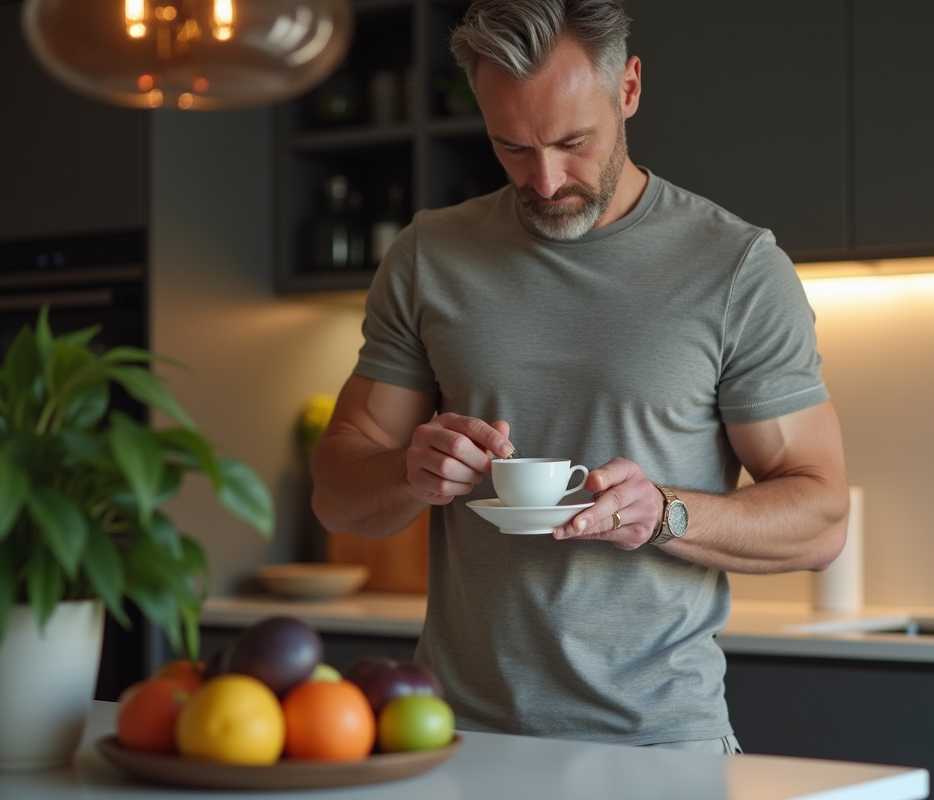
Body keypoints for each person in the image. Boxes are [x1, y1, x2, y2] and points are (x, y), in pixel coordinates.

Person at [310, 0, 849, 754]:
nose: (546, 178)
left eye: (572, 142)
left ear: (628, 89)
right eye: (513, 148)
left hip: (657, 745)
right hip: (455, 737)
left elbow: (821, 518)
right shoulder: (430, 256)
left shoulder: (736, 269)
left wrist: (663, 514)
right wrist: (410, 471)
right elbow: (336, 493)